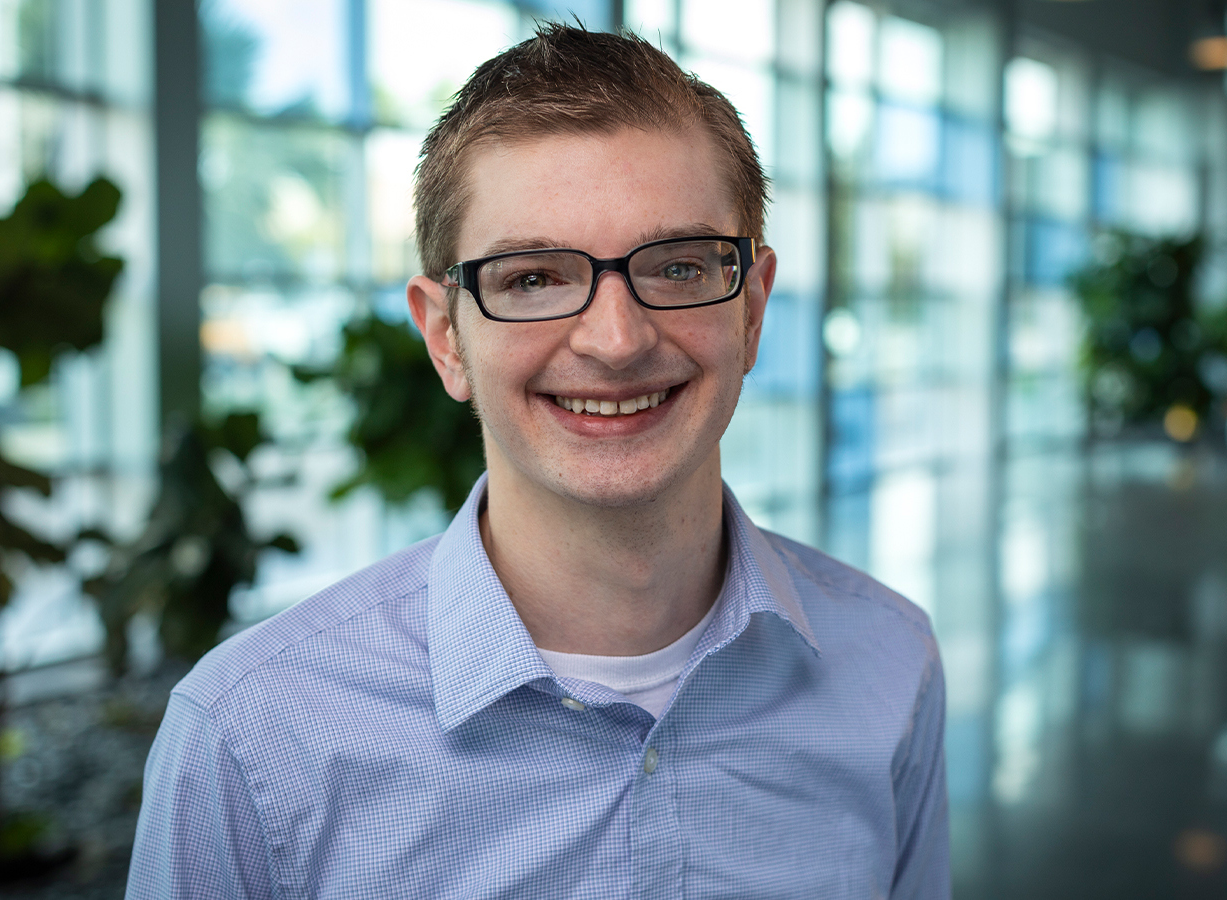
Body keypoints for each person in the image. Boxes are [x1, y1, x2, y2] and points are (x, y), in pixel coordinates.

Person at [127, 23, 947, 899]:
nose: (617, 339)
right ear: (446, 337)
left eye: (676, 267)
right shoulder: (251, 740)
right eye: (532, 279)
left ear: (751, 310)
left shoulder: (891, 666)